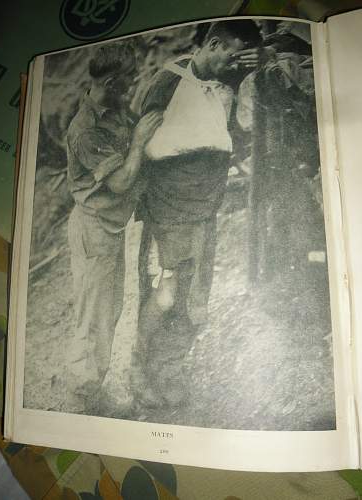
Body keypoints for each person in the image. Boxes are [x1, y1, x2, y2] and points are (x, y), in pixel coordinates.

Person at [133, 20, 262, 408]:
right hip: (169, 208)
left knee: (193, 297)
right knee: (165, 294)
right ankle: (140, 366)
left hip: (205, 207)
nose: (235, 65)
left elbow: (235, 134)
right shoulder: (167, 82)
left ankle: (170, 369)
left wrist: (251, 71)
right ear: (214, 43)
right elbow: (140, 144)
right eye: (233, 56)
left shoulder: (229, 81)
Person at [65, 43, 162, 415]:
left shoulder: (114, 107)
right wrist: (138, 142)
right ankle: (82, 403)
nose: (132, 86)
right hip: (95, 229)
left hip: (109, 227)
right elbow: (120, 181)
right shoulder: (86, 130)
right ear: (109, 82)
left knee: (107, 311)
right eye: (127, 81)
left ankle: (91, 395)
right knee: (94, 318)